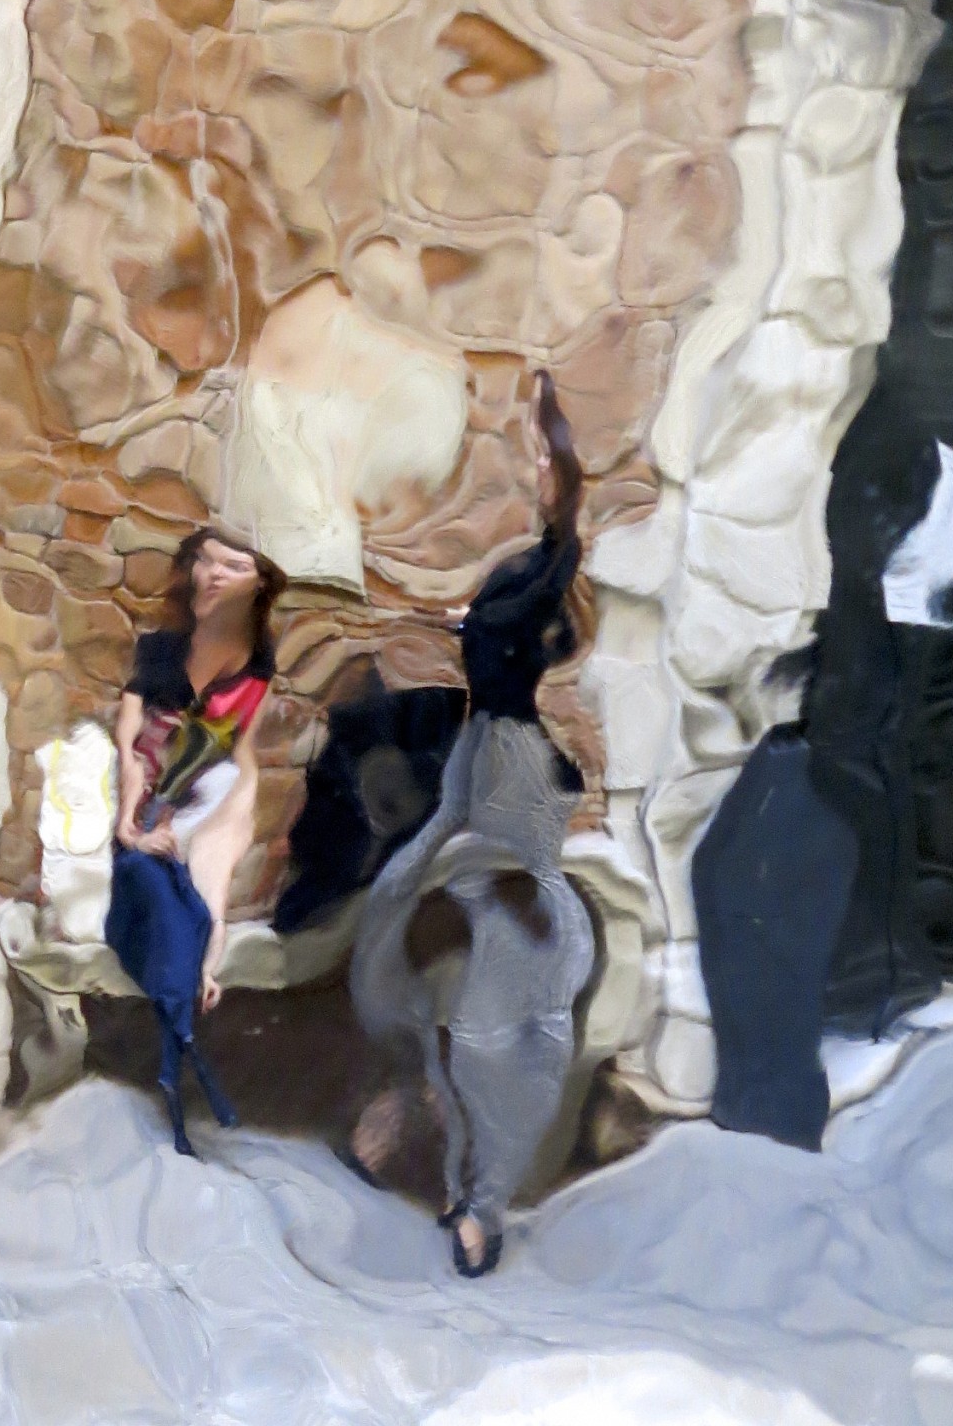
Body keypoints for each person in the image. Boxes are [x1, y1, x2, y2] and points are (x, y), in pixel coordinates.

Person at [349, 370, 593, 1275]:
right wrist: (414, 878)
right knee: (466, 1042)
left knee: (499, 1050)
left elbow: (565, 526)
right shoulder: (493, 706)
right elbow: (463, 821)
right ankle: (472, 1191)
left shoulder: (511, 708)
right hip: (490, 829)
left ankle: (481, 1200)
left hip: (514, 849)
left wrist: (553, 442)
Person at [106, 525, 286, 1155]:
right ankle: (180, 1047)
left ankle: (198, 980)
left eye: (231, 565)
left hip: (203, 791)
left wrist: (235, 803)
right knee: (159, 884)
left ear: (258, 582)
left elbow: (243, 753)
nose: (212, 574)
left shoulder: (258, 663)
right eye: (207, 561)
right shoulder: (161, 650)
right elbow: (130, 744)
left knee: (219, 824)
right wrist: (131, 822)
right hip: (146, 789)